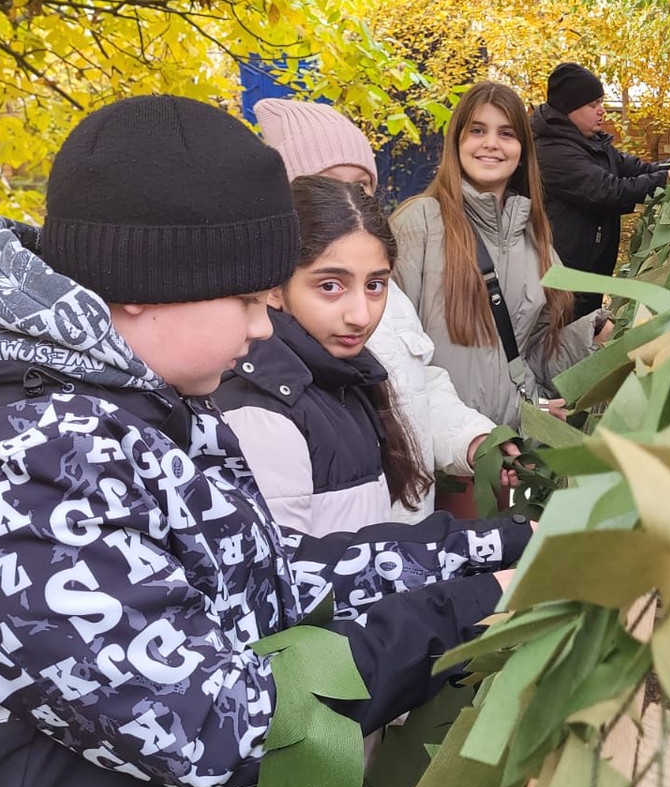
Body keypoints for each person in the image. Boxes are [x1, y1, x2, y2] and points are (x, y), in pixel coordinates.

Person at [0, 95, 531, 787]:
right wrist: (463, 613)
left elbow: (281, 586)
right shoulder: (24, 469)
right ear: (142, 290)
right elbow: (222, 720)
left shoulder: (150, 409)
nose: (265, 324)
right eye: (244, 296)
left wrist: (491, 551)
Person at [252, 98, 497, 522]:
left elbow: (418, 389)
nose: (360, 315)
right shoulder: (256, 347)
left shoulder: (388, 296)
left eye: (362, 184)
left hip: (408, 545)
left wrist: (473, 442)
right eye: (330, 183)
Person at [214, 176, 434, 536]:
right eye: (330, 286)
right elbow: (284, 576)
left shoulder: (347, 380)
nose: (360, 315)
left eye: (375, 285)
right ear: (274, 287)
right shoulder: (260, 412)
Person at [391, 80, 611, 427]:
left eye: (506, 133)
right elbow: (393, 361)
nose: (491, 143)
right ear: (457, 141)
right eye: (478, 130)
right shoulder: (419, 224)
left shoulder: (536, 241)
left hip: (505, 457)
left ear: (523, 149)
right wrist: (460, 442)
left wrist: (596, 336)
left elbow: (523, 367)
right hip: (444, 460)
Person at [530, 62, 670, 319]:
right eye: (593, 105)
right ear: (569, 108)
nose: (601, 111)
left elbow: (634, 168)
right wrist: (665, 180)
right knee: (566, 346)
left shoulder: (592, 143)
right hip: (566, 278)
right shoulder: (552, 151)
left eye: (601, 103)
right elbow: (608, 191)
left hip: (590, 272)